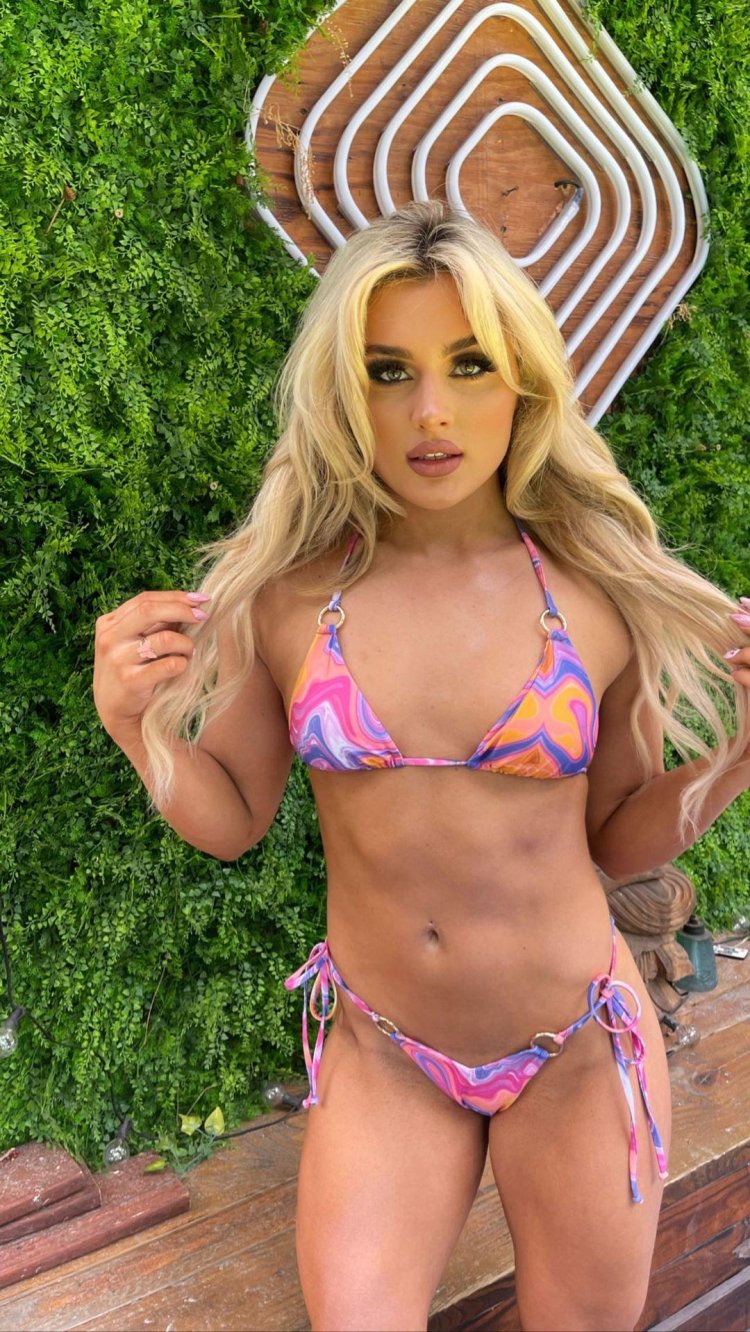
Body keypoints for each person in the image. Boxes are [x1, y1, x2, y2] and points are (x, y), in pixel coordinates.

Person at [93, 200, 750, 1332]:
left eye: (469, 364)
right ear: (344, 392)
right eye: (388, 371)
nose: (431, 411)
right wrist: (130, 727)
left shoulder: (595, 595)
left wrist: (740, 754)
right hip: (386, 1048)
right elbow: (233, 816)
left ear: (524, 383)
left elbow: (618, 837)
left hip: (575, 1044)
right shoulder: (290, 597)